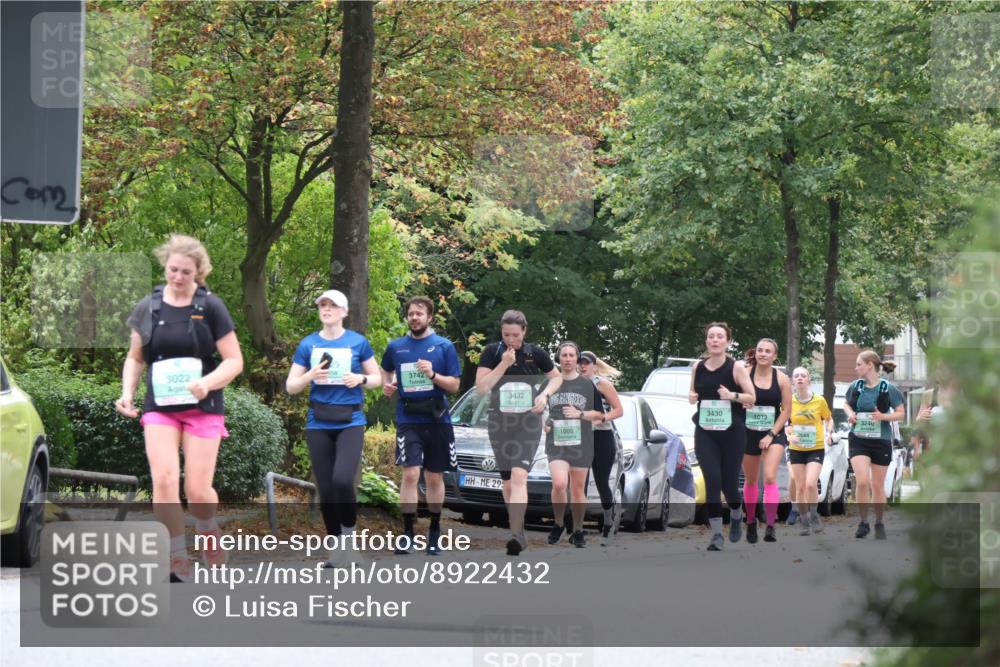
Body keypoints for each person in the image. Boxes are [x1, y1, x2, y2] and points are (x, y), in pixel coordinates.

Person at [116, 234, 243, 582]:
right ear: (165, 266)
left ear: (198, 271)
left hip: (203, 404)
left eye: (186, 272)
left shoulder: (211, 306)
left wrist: (208, 382)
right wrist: (127, 392)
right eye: (173, 269)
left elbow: (234, 361)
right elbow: (134, 357)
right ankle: (176, 555)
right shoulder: (149, 307)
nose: (178, 277)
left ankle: (207, 528)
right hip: (161, 406)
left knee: (197, 489)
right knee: (164, 479)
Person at [286, 289, 382, 567]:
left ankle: (350, 542)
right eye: (323, 305)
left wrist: (360, 378)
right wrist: (310, 375)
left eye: (332, 305)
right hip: (319, 421)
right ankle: (336, 550)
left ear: (344, 312)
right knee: (326, 488)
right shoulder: (308, 345)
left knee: (342, 480)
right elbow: (291, 387)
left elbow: (376, 378)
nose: (326, 309)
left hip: (351, 420)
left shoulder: (357, 342)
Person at [380, 296, 461, 556]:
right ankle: (407, 534)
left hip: (437, 418)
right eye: (411, 314)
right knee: (410, 474)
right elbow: (385, 371)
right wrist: (388, 384)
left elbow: (455, 385)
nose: (415, 317)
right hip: (408, 417)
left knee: (435, 476)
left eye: (419, 314)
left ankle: (435, 533)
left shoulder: (443, 346)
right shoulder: (396, 347)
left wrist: (433, 375)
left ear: (430, 318)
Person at [475, 310, 560, 556]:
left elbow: (556, 379)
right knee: (508, 481)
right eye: (506, 335)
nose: (510, 339)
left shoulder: (535, 354)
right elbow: (481, 388)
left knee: (520, 475)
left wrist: (544, 395)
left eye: (515, 335)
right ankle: (519, 528)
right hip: (500, 423)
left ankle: (514, 534)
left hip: (528, 423)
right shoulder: (492, 352)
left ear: (524, 332)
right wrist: (503, 363)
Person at [688, 322, 756, 551]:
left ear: (727, 341)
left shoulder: (736, 367)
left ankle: (737, 513)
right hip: (705, 432)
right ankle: (716, 534)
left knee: (728, 485)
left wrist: (731, 395)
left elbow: (751, 397)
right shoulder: (698, 366)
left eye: (719, 337)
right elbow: (693, 392)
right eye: (711, 337)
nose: (715, 340)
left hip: (732, 433)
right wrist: (691, 396)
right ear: (707, 341)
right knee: (712, 479)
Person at [543, 343, 607, 549]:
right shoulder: (552, 383)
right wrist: (543, 422)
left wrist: (580, 414)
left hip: (581, 443)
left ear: (577, 360)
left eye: (572, 355)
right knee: (560, 484)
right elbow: (537, 408)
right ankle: (559, 522)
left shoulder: (587, 385)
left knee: (578, 489)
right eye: (564, 355)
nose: (568, 359)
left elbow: (599, 414)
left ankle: (578, 530)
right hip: (557, 443)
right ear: (559, 359)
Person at [843, 350, 904, 540]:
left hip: (881, 440)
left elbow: (901, 413)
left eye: (858, 364)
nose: (855, 368)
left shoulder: (888, 388)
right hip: (858, 439)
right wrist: (850, 414)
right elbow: (846, 404)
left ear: (870, 365)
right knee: (862, 481)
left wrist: (883, 416)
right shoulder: (856, 386)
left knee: (877, 485)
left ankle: (879, 522)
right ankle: (863, 522)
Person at [739, 339, 791, 544]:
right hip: (748, 431)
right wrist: (740, 402)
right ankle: (751, 521)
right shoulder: (744, 373)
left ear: (774, 356)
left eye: (767, 351)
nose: (762, 354)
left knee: (769, 477)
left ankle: (770, 525)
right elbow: (732, 398)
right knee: (751, 480)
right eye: (760, 350)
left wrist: (771, 434)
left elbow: (787, 410)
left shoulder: (782, 379)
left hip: (773, 432)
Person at [578, 351, 625, 546]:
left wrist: (603, 418)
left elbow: (619, 410)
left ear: (594, 366)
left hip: (602, 436)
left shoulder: (602, 384)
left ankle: (607, 523)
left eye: (586, 364)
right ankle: (577, 528)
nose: (582, 366)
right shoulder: (573, 384)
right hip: (581, 436)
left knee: (601, 481)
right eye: (580, 363)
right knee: (579, 484)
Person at [785, 367, 833, 536]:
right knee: (800, 486)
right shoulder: (789, 401)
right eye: (796, 376)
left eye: (803, 376)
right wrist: (789, 436)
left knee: (811, 483)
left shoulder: (819, 401)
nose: (799, 378)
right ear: (792, 380)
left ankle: (814, 515)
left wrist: (829, 433)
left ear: (809, 380)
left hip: (816, 447)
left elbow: (829, 418)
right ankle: (804, 521)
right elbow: (786, 425)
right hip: (797, 448)